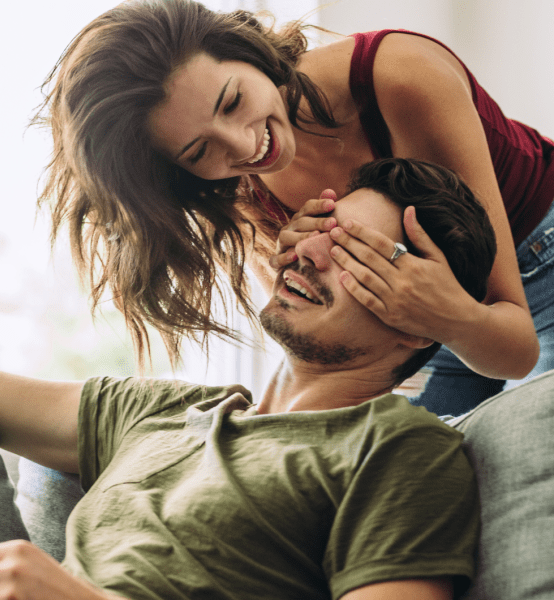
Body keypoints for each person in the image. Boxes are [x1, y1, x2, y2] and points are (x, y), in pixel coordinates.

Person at [0, 159, 494, 599]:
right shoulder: (168, 413)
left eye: (360, 255)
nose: (308, 256)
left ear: (416, 318)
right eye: (320, 234)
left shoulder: (400, 449)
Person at [35, 0, 554, 416]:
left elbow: (514, 346)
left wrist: (447, 315)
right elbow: (320, 362)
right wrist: (295, 278)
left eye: (233, 101)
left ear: (245, 51)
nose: (242, 148)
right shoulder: (232, 194)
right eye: (199, 150)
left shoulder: (399, 77)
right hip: (416, 322)